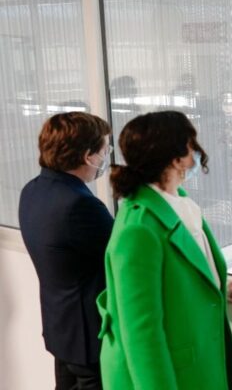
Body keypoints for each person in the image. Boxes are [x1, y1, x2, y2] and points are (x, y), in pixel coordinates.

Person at [97, 111, 232, 390]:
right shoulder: (138, 229)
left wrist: (213, 287)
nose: (197, 154)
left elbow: (178, 275)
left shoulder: (179, 203)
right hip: (172, 375)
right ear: (176, 158)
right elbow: (141, 334)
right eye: (192, 145)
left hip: (197, 364)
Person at [19, 112, 114, 390]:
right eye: (104, 150)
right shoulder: (78, 205)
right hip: (87, 336)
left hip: (61, 328)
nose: (105, 157)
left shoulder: (33, 190)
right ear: (88, 156)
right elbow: (126, 257)